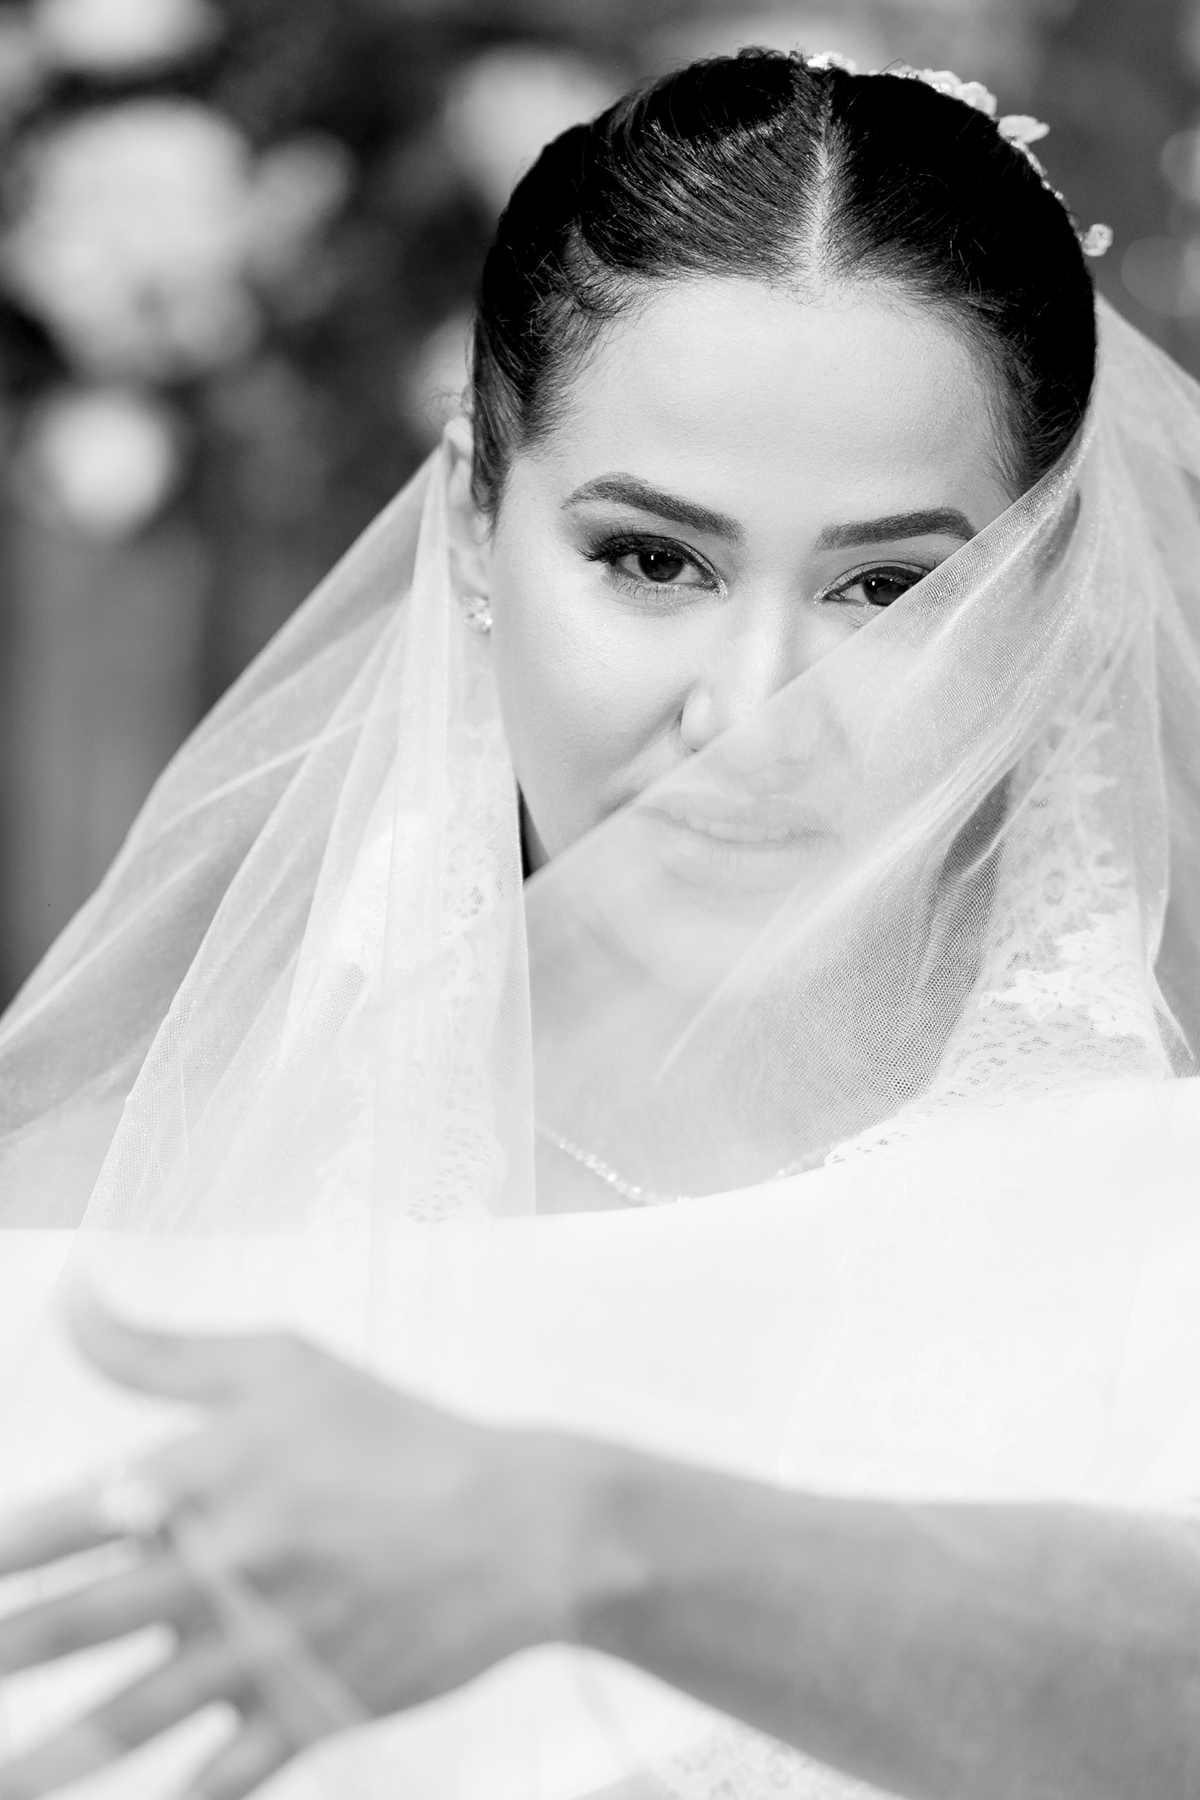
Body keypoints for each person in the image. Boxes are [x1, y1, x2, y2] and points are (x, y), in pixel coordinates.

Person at [0, 44, 1196, 1800]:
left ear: (1034, 598)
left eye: (888, 589)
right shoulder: (106, 1229)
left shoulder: (1151, 1231)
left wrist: (596, 1539)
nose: (754, 710)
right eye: (653, 560)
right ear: (473, 525)